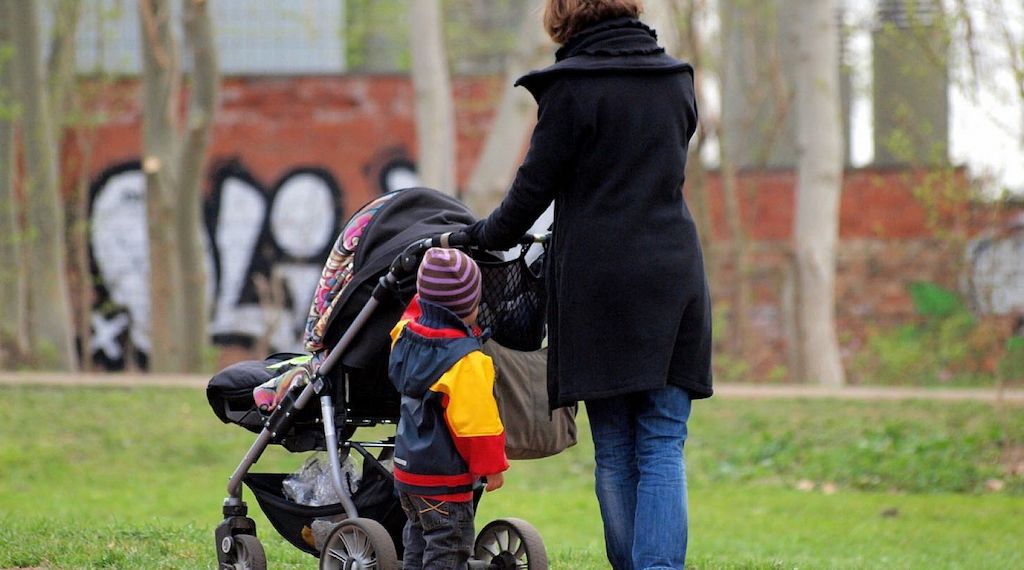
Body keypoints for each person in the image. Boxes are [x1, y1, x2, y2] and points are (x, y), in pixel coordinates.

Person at [460, 1, 712, 568]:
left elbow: (527, 199)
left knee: (617, 445)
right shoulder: (677, 80)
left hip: (599, 285)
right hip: (673, 278)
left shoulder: (571, 89)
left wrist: (471, 237)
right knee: (663, 440)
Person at [388, 247, 509, 570]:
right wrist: (492, 466)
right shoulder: (466, 361)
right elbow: (477, 423)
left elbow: (413, 311)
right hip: (443, 478)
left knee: (417, 540)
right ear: (471, 307)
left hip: (408, 472)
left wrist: (427, 297)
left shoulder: (404, 335)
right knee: (448, 548)